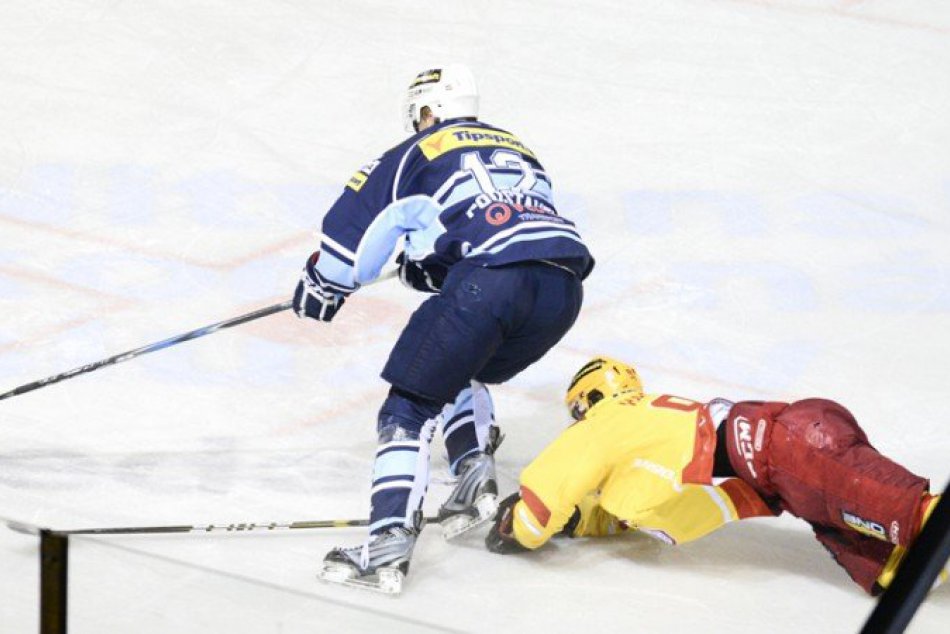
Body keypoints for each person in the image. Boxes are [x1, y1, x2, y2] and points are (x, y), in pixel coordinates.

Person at [292, 65, 593, 593]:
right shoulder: (516, 147)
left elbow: (353, 238)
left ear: (426, 111)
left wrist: (322, 284)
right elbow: (490, 222)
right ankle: (473, 477)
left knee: (407, 409)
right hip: (562, 290)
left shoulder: (418, 151)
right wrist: (429, 266)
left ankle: (385, 545)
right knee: (462, 367)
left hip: (492, 284)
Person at [486, 357, 945, 595]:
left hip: (788, 453)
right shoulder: (644, 434)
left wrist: (519, 524)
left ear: (588, 400)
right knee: (898, 569)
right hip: (789, 461)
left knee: (921, 520)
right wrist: (577, 522)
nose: (576, 422)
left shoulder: (606, 423)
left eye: (576, 412)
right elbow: (623, 511)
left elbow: (544, 500)